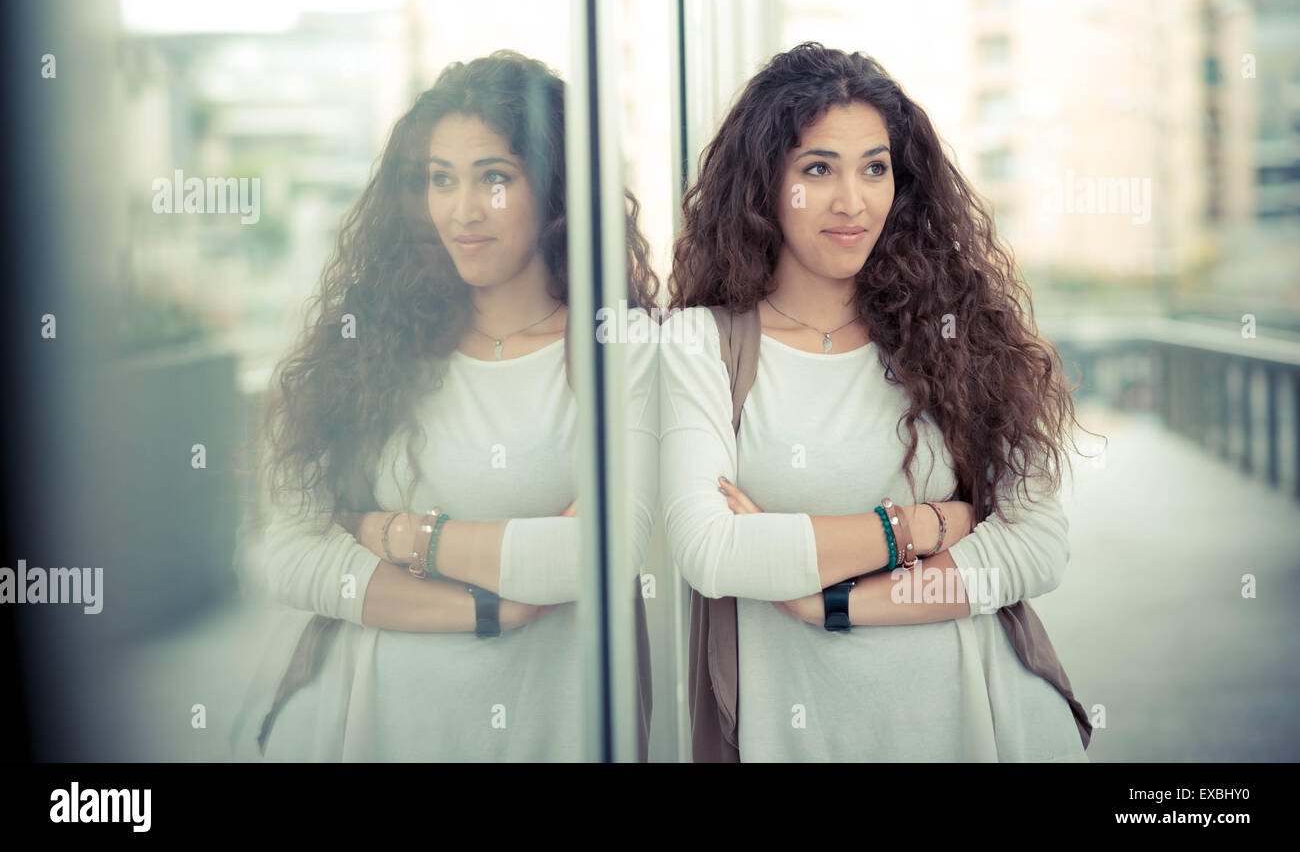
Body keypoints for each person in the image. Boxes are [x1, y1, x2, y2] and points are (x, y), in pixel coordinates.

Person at [658, 41, 1099, 761]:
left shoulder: (954, 331)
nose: (852, 201)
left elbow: (1039, 543)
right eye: (817, 169)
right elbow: (713, 549)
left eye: (874, 168)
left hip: (976, 720)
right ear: (763, 183)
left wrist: (828, 598)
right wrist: (927, 525)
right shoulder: (700, 345)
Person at [229, 50, 660, 761]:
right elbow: (286, 555)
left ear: (554, 188)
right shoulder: (376, 348)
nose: (462, 210)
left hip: (560, 726)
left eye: (495, 177)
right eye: (440, 179)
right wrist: (491, 608)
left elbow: (595, 557)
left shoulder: (624, 349)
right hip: (390, 723)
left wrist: (395, 534)